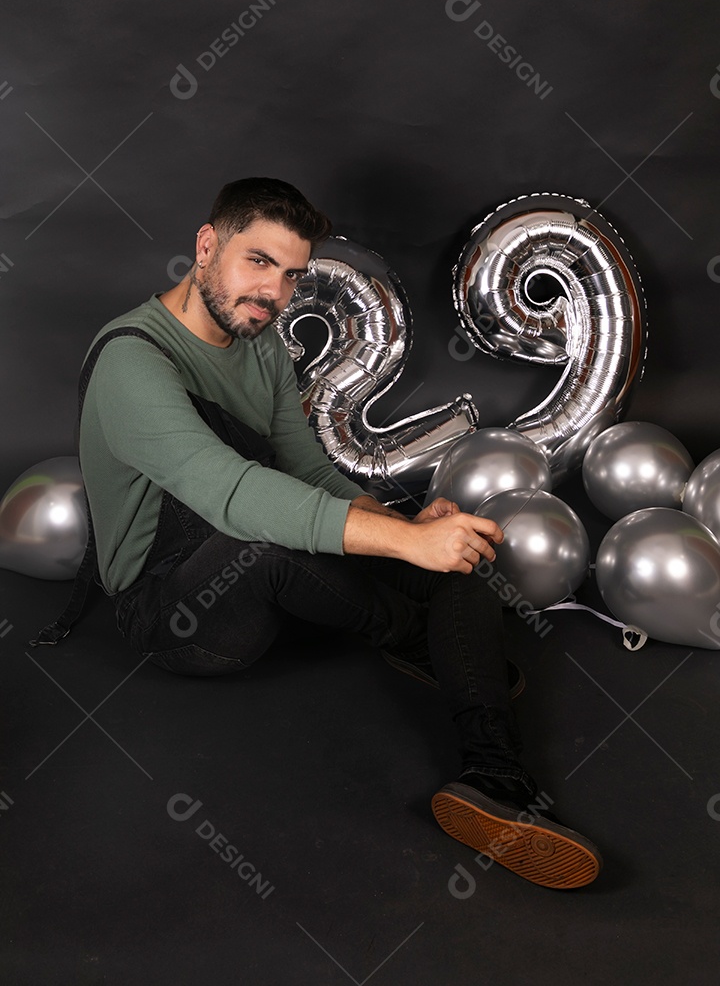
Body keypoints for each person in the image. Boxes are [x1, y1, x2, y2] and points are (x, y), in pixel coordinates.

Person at [77, 177, 602, 890]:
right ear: (206, 247)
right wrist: (401, 548)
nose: (273, 293)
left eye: (292, 275)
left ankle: (496, 780)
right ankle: (416, 634)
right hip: (172, 606)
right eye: (257, 262)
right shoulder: (132, 362)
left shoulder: (260, 343)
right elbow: (230, 492)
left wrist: (407, 527)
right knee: (270, 538)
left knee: (459, 548)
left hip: (273, 559)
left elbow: (304, 468)